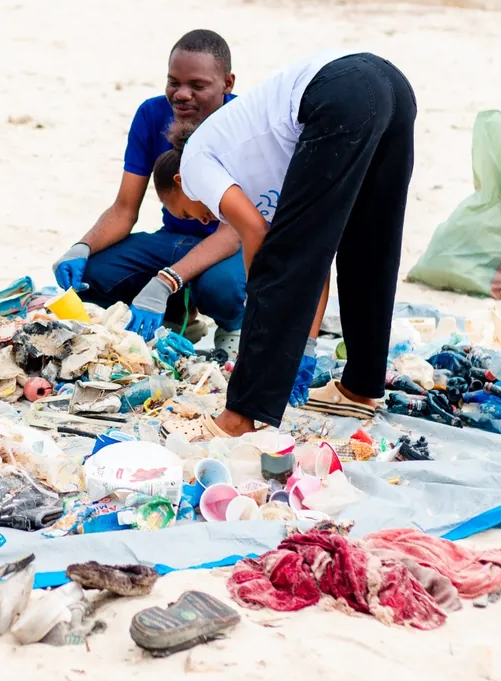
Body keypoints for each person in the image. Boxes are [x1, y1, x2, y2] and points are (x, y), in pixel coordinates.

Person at [152, 50, 417, 437]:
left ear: (180, 185)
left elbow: (260, 240)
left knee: (280, 263)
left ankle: (239, 417)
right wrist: (305, 343)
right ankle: (359, 389)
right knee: (369, 246)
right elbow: (315, 256)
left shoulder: (193, 164)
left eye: (191, 214)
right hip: (391, 84)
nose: (204, 219)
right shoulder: (255, 173)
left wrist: (259, 304)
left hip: (340, 91)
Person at [52, 29, 247, 353]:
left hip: (231, 246)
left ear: (227, 83)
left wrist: (164, 282)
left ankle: (234, 326)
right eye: (174, 82)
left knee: (221, 286)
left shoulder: (243, 124)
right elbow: (125, 208)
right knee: (92, 275)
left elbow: (235, 232)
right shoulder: (150, 114)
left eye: (197, 85)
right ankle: (176, 312)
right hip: (172, 238)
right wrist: (81, 247)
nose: (182, 94)